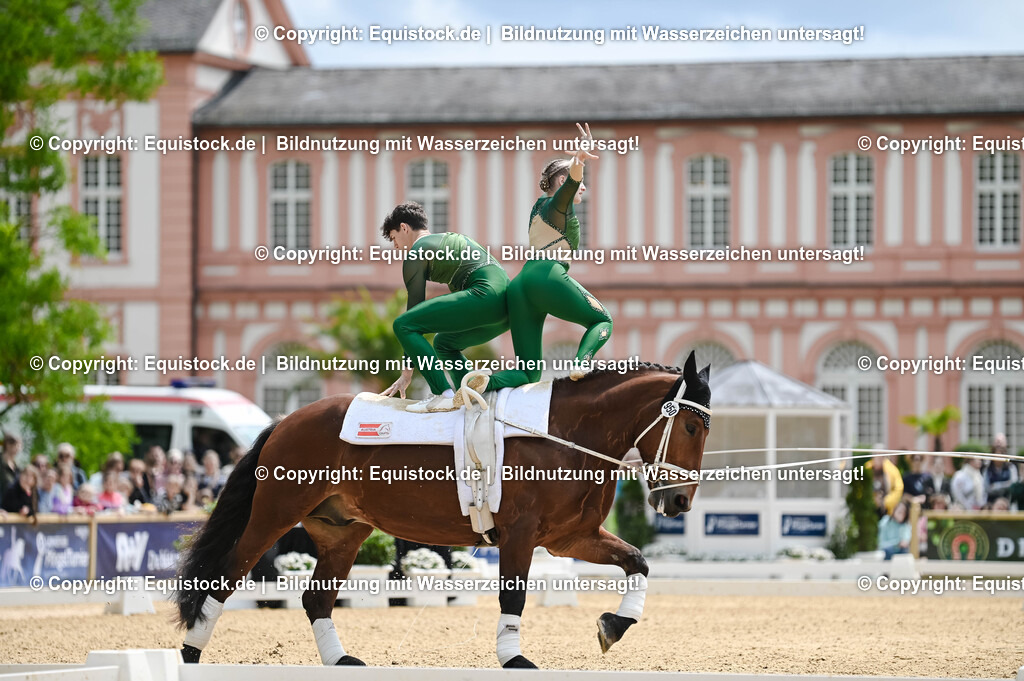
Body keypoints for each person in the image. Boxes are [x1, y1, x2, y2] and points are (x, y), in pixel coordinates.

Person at [486, 122, 610, 391]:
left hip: (520, 285)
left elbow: (572, 181)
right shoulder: (558, 205)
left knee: (528, 373)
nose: (584, 188)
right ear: (563, 182)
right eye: (580, 183)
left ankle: (483, 382)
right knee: (602, 321)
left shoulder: (538, 207)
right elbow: (574, 179)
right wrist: (579, 159)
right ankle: (581, 363)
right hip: (547, 275)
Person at [379, 202, 510, 412]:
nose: (395, 246)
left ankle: (441, 394)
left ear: (404, 227)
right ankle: (470, 393)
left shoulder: (417, 252)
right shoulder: (449, 240)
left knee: (403, 325)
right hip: (506, 309)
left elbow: (413, 309)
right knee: (443, 343)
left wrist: (407, 372)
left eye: (394, 238)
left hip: (486, 296)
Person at [0, 433, 22, 507]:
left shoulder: (17, 467)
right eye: (17, 445)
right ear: (8, 445)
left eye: (20, 445)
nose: (18, 448)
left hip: (11, 507)